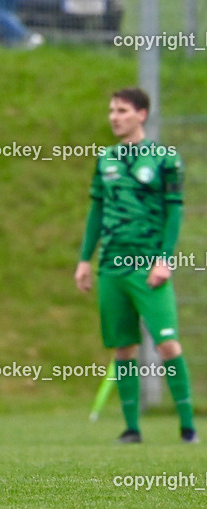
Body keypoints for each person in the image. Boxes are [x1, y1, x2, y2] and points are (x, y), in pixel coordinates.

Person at [75, 88, 197, 444]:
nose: (114, 116)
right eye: (111, 110)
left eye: (122, 110)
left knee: (167, 344)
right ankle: (132, 429)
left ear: (141, 115)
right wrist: (85, 259)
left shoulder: (165, 159)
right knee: (123, 347)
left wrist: (164, 258)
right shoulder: (105, 159)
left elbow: (175, 211)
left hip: (148, 266)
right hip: (112, 266)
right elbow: (96, 210)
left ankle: (188, 427)